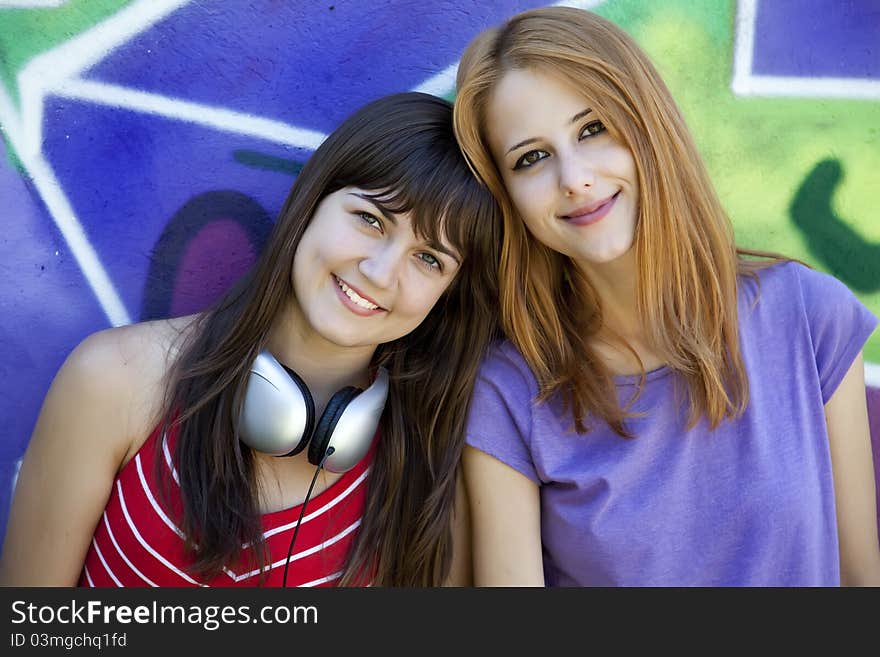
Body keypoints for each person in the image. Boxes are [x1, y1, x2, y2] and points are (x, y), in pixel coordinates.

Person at [0, 92, 502, 587]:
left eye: (429, 258)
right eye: (370, 219)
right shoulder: (117, 381)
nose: (379, 272)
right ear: (313, 203)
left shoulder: (427, 476)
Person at [452, 7, 880, 586]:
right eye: (531, 158)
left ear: (646, 126)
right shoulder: (508, 391)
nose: (574, 177)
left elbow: (860, 584)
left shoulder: (807, 316)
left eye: (593, 129)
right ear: (508, 197)